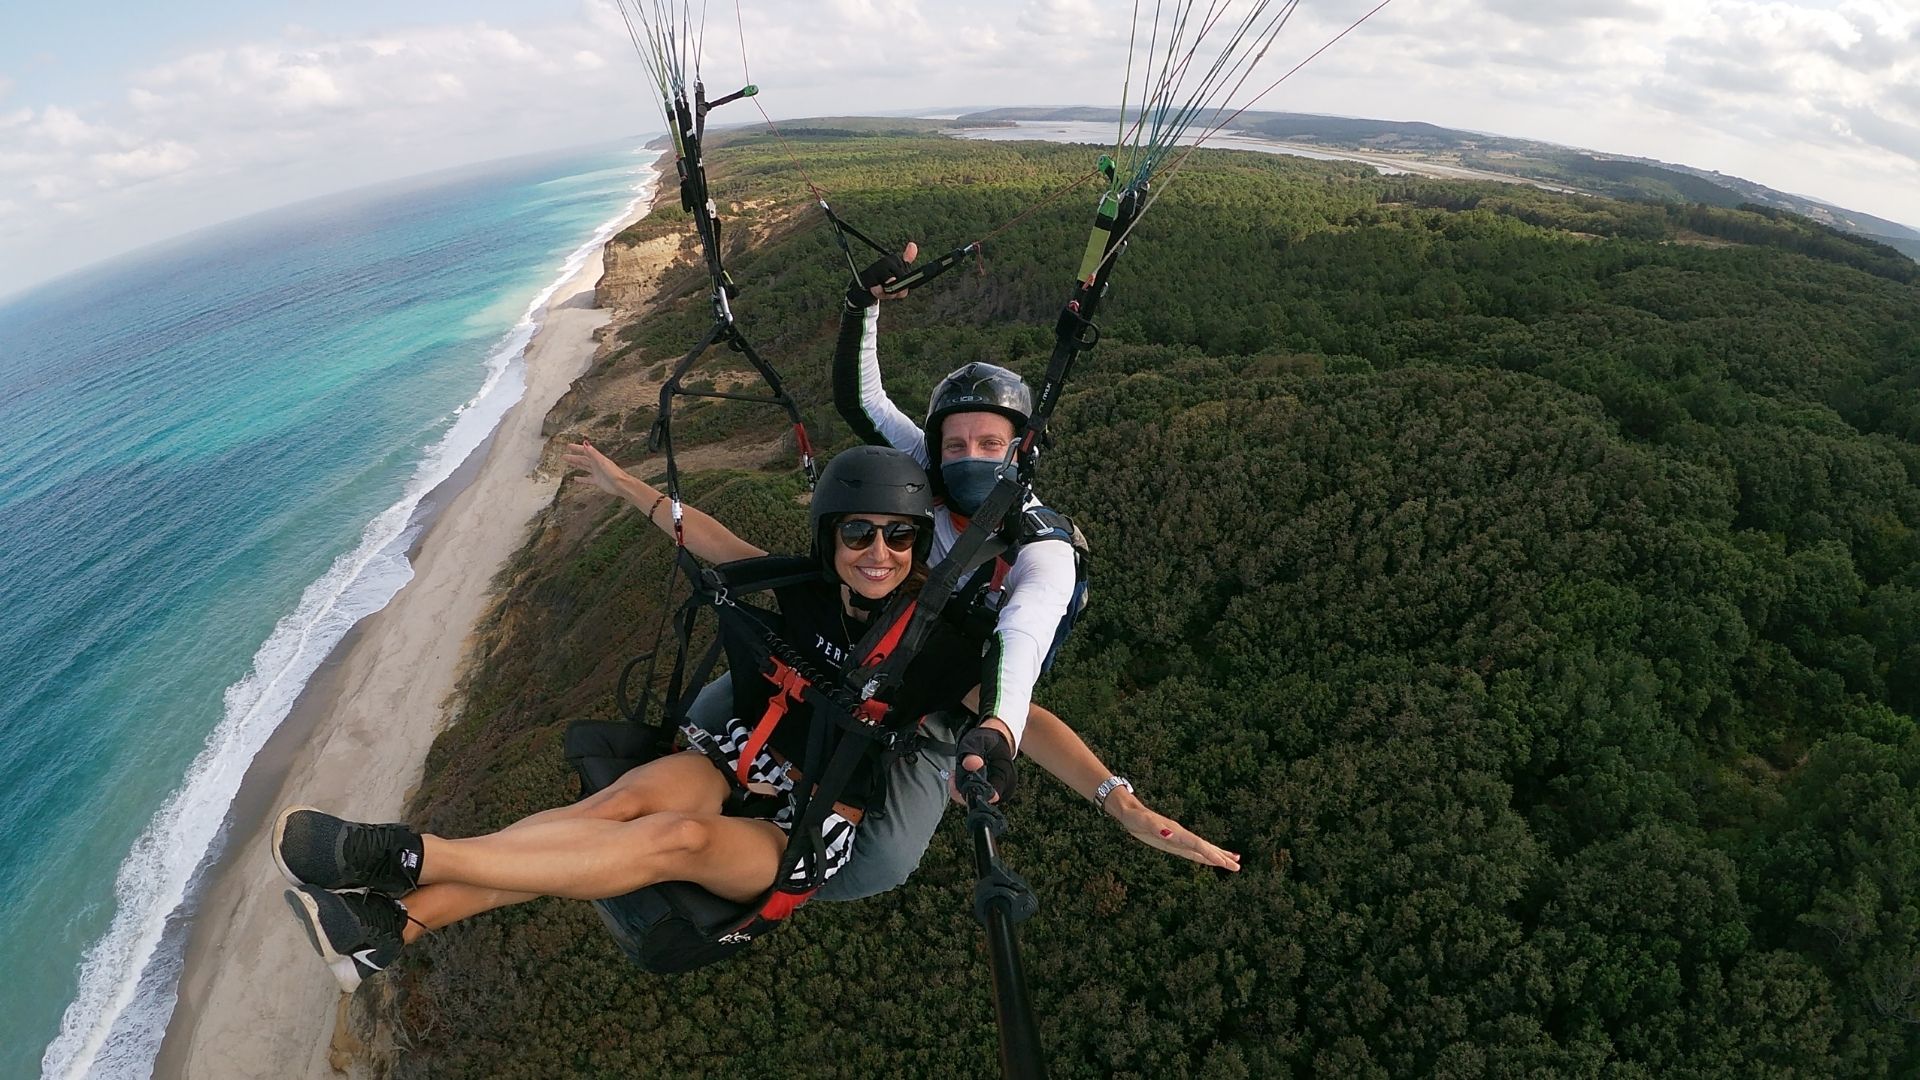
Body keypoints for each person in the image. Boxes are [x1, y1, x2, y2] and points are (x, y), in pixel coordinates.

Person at [273, 445, 989, 992]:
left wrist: (1105, 789)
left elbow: (1025, 717)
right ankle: (389, 930)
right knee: (616, 804)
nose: (879, 553)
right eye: (860, 533)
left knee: (670, 838)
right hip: (743, 758)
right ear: (831, 537)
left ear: (918, 545)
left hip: (811, 824)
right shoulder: (807, 590)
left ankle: (409, 856)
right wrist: (624, 485)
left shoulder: (935, 648)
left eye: (899, 537)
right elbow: (710, 541)